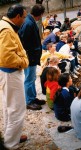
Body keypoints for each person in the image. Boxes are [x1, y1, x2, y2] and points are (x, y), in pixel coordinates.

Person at [0, 4, 29, 149]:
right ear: (17, 16)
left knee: (9, 107)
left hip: (7, 74)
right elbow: (7, 58)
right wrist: (23, 61)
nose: (24, 20)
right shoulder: (7, 30)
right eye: (23, 17)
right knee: (17, 108)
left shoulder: (4, 25)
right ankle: (11, 144)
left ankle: (10, 136)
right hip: (10, 73)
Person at [19, 4, 45, 110]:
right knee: (29, 79)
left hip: (32, 55)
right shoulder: (29, 23)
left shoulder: (29, 21)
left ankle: (33, 98)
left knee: (32, 78)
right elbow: (22, 41)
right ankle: (29, 101)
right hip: (30, 56)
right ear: (40, 14)